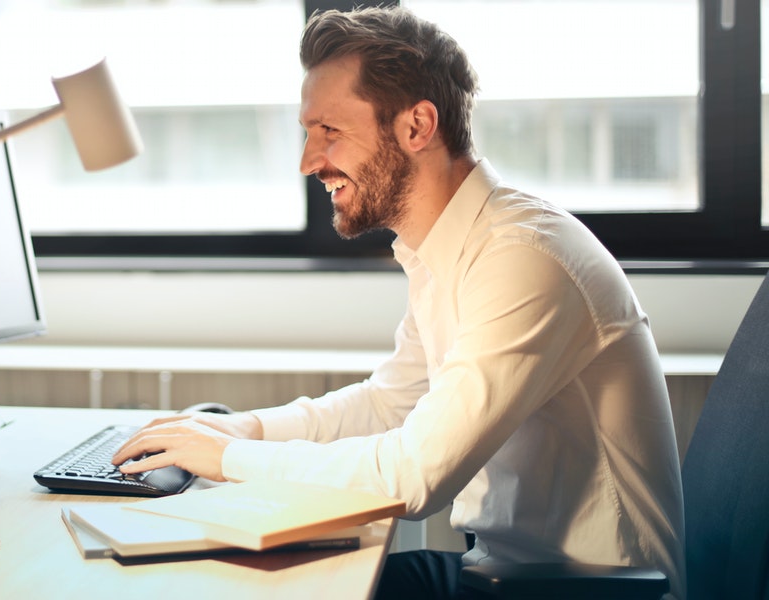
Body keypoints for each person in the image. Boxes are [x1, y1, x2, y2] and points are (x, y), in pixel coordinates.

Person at [112, 6, 685, 599]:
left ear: (417, 126)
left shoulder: (524, 259)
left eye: (329, 131)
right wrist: (243, 429)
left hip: (583, 591)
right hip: (500, 574)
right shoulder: (448, 247)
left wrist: (227, 457)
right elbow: (390, 405)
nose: (309, 161)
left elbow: (415, 476)